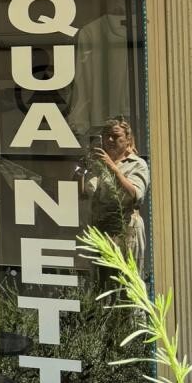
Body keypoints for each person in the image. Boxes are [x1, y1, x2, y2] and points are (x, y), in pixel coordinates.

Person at [82, 116, 150, 277]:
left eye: (116, 136)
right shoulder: (97, 163)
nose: (110, 140)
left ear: (127, 139)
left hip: (126, 229)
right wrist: (84, 165)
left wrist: (112, 167)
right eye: (106, 136)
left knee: (126, 280)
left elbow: (135, 194)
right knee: (100, 281)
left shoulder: (136, 164)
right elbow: (84, 194)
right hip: (100, 229)